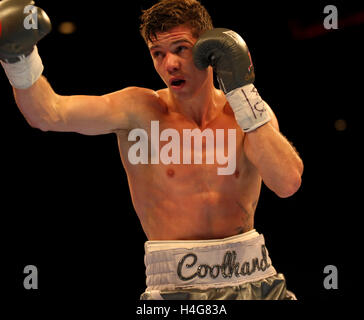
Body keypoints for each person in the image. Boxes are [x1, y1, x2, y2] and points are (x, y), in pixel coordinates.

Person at [0, 0, 303, 300]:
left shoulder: (245, 115)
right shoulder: (139, 111)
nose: (169, 63)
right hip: (176, 288)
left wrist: (243, 93)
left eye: (181, 49)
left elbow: (288, 182)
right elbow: (48, 113)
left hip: (258, 281)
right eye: (158, 54)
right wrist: (19, 59)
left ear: (210, 48)